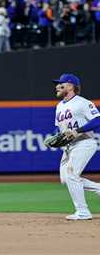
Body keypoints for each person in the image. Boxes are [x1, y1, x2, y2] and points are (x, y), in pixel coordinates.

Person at [52, 73, 100, 220]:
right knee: (66, 179)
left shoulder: (82, 103)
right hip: (69, 147)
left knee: (72, 175)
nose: (57, 86)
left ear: (71, 86)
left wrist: (77, 131)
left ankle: (83, 212)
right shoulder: (59, 106)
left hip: (85, 142)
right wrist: (58, 138)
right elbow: (61, 129)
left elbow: (98, 120)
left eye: (61, 83)